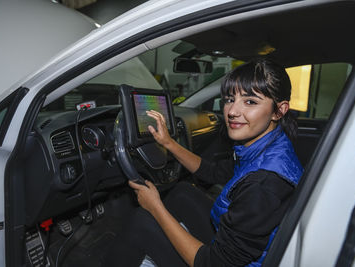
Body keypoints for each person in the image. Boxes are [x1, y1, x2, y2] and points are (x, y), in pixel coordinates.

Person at [105, 58, 303, 267]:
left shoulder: (264, 184)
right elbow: (214, 172)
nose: (232, 111)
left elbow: (213, 263)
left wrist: (155, 207)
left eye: (250, 102)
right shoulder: (268, 147)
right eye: (229, 99)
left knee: (141, 222)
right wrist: (169, 143)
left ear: (279, 110)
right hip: (234, 248)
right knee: (182, 192)